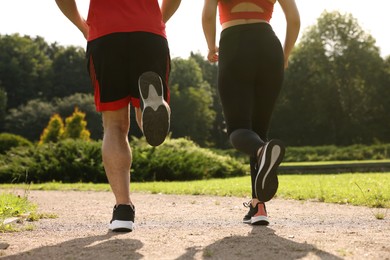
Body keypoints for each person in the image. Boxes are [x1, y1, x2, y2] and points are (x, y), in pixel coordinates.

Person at [55, 0, 182, 232]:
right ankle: (150, 105)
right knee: (145, 111)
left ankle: (123, 209)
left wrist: (83, 26)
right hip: (149, 33)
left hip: (105, 34)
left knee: (115, 125)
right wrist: (159, 19)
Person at [202, 0, 300, 225]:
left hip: (234, 44)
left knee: (239, 130)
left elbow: (208, 15)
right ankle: (259, 207)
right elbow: (294, 19)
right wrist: (285, 55)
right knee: (258, 132)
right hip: (269, 46)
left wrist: (210, 46)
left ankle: (262, 153)